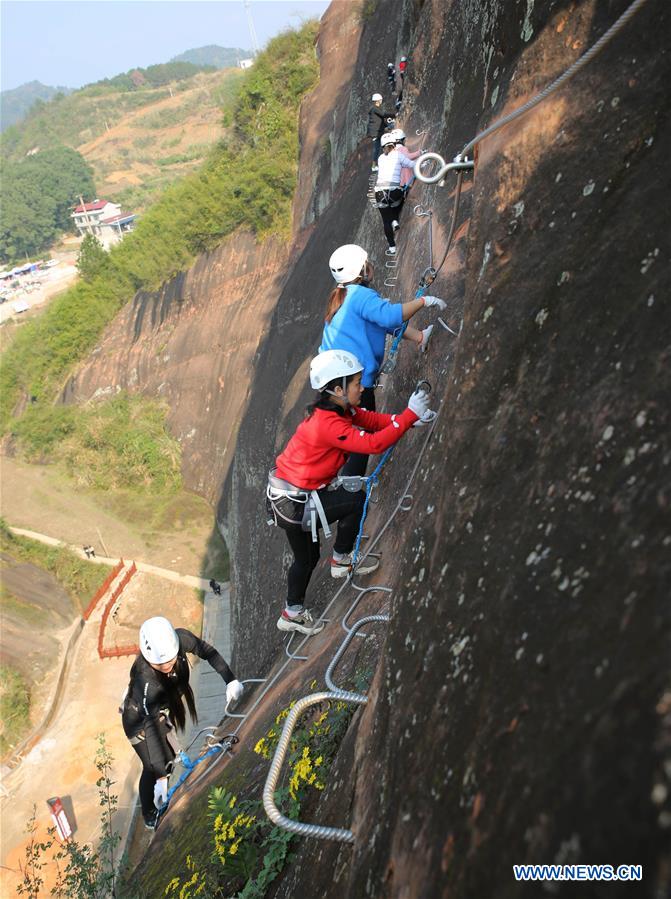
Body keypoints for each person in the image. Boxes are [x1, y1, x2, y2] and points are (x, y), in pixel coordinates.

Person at [266, 350, 436, 636]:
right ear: (337, 389)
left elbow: (371, 422)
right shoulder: (328, 424)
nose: (361, 387)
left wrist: (408, 420)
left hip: (287, 497)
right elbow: (373, 445)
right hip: (293, 502)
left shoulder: (338, 410)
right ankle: (341, 560)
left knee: (306, 558)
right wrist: (408, 416)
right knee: (356, 496)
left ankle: (291, 612)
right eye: (356, 383)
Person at [320, 243, 447, 476]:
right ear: (361, 271)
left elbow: (377, 325)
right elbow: (389, 317)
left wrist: (419, 337)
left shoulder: (342, 296)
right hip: (351, 379)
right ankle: (352, 494)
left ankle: (407, 417)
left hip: (333, 379)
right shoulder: (360, 296)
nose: (371, 265)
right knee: (362, 436)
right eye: (366, 263)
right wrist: (424, 301)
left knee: (358, 425)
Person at [121, 616, 243, 829]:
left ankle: (162, 777)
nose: (168, 665)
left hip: (159, 708)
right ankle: (149, 814)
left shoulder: (181, 638)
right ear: (149, 660)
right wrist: (160, 777)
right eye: (161, 663)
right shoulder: (145, 681)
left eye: (171, 659)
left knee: (167, 760)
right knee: (151, 766)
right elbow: (151, 728)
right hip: (139, 721)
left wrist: (230, 680)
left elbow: (208, 652)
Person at [374, 133, 416, 252]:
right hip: (394, 192)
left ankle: (392, 247)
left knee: (385, 220)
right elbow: (411, 164)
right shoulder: (398, 155)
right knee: (400, 199)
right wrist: (422, 162)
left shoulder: (380, 158)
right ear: (394, 144)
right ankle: (395, 219)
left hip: (379, 193)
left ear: (383, 146)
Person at [366, 93, 395, 171]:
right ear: (378, 101)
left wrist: (387, 126)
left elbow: (381, 121)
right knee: (377, 148)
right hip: (376, 132)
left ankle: (376, 164)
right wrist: (395, 115)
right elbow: (383, 115)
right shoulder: (375, 109)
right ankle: (374, 165)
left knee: (379, 147)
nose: (381, 101)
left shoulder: (375, 109)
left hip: (376, 132)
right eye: (381, 100)